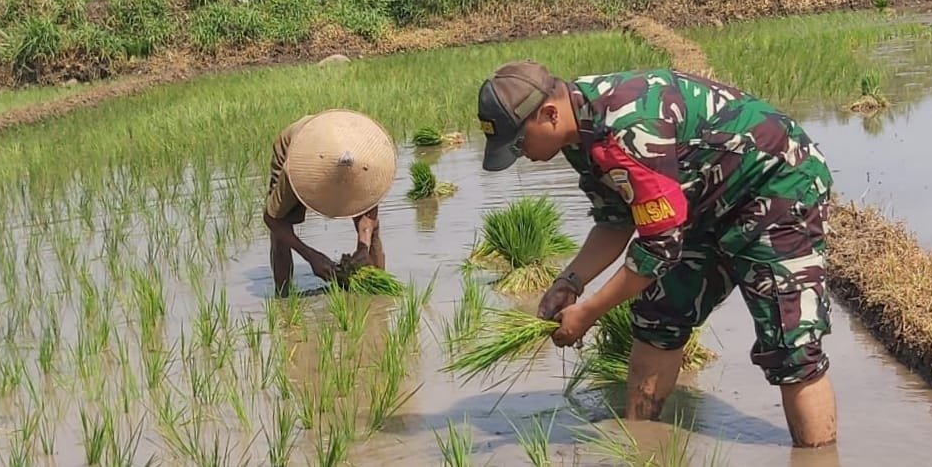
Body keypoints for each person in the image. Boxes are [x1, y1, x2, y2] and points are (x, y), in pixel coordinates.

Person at [476, 61, 838, 450]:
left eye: (519, 143)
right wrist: (570, 282)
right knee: (658, 317)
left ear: (548, 114)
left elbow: (659, 247)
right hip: (699, 204)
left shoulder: (625, 129)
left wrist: (589, 311)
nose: (522, 155)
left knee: (791, 345)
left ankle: (817, 456)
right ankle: (641, 447)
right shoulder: (578, 134)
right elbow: (616, 221)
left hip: (776, 187)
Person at [264, 109, 397, 297]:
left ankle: (379, 293)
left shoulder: (368, 160)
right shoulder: (297, 167)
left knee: (372, 230)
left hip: (341, 139)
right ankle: (283, 296)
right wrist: (311, 257)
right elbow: (272, 219)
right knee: (280, 230)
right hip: (299, 148)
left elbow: (369, 209)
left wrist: (363, 247)